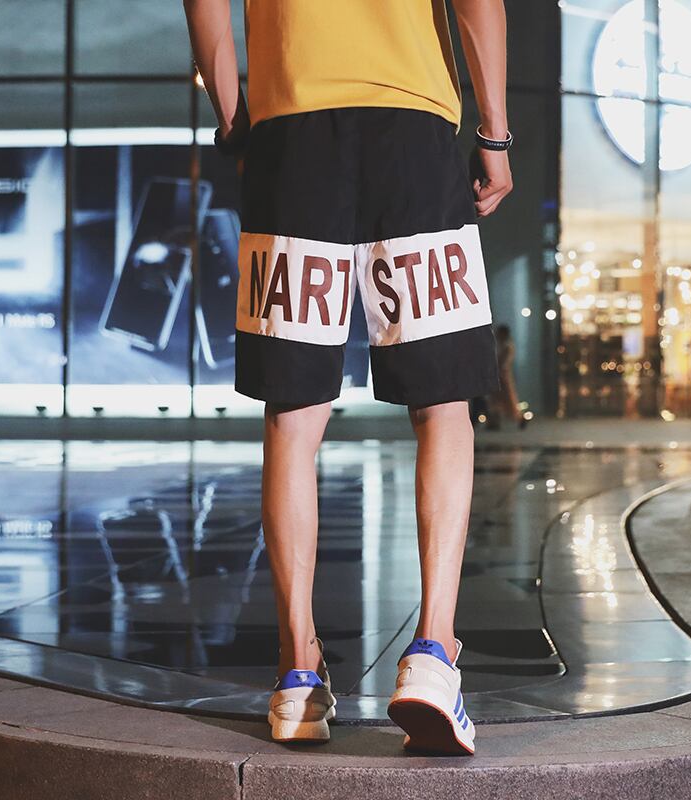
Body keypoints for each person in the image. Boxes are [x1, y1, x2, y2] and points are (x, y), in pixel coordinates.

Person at [183, 0, 512, 755]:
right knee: (442, 404)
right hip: (413, 129)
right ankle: (433, 653)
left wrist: (235, 119)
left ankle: (297, 672)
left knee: (293, 416)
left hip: (292, 132)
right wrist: (493, 134)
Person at [487, 324, 525, 429]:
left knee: (507, 400)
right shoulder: (501, 345)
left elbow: (504, 362)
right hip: (500, 376)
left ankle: (518, 418)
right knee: (497, 400)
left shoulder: (507, 346)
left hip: (502, 376)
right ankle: (495, 421)